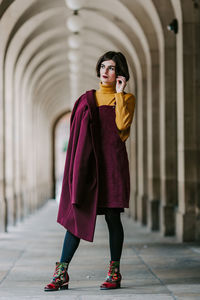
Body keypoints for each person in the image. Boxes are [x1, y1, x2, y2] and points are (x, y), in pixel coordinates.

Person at [44, 51, 136, 292]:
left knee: (113, 218)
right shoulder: (86, 100)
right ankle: (61, 272)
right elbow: (76, 141)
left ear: (120, 74)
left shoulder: (125, 99)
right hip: (88, 167)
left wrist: (119, 94)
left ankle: (114, 273)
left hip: (113, 165)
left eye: (112, 68)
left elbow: (122, 127)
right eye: (103, 66)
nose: (106, 71)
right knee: (76, 218)